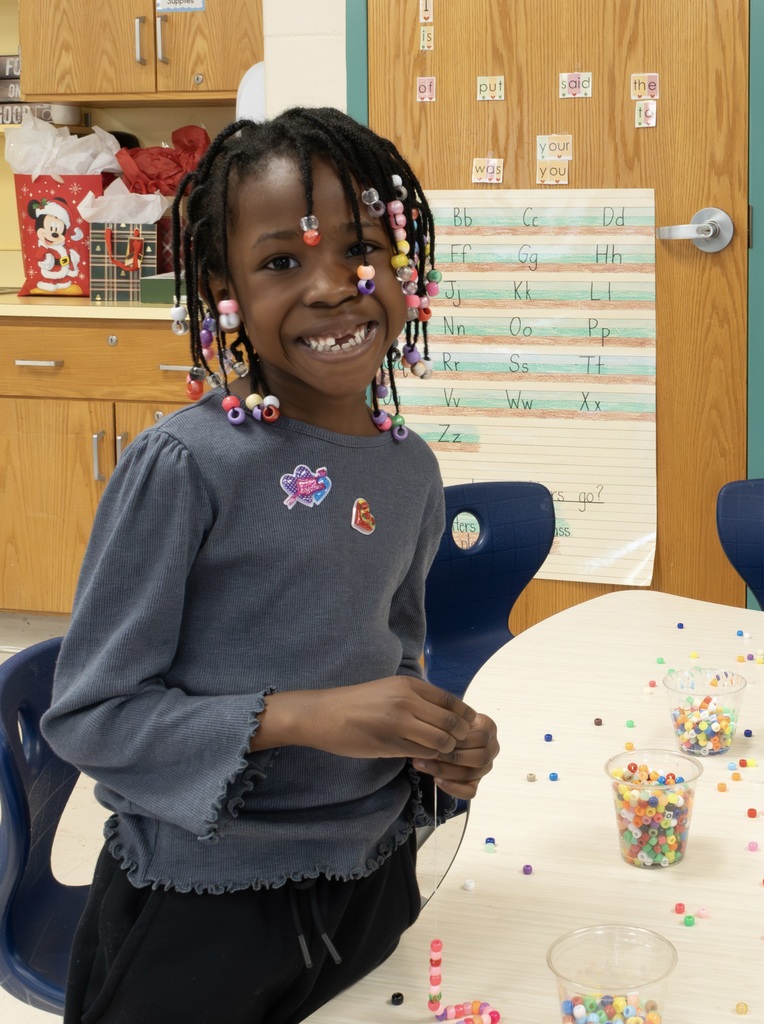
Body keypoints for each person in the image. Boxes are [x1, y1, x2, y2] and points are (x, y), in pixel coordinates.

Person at [41, 106, 499, 1024]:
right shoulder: (187, 466)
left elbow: (391, 660)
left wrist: (437, 748)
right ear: (225, 286)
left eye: (361, 247)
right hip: (201, 910)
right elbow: (90, 717)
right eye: (282, 262)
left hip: (372, 882)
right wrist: (305, 717)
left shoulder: (408, 466)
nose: (333, 287)